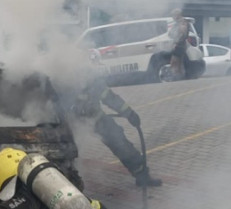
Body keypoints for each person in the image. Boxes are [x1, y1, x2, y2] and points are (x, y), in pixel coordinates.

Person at [53, 58, 162, 188]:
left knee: (121, 144)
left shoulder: (93, 81)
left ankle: (142, 176)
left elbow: (110, 98)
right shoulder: (63, 84)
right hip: (74, 125)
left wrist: (130, 114)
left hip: (98, 119)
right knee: (67, 152)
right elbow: (57, 107)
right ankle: (65, 182)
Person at [168, 8, 190, 80]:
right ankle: (180, 78)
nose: (173, 17)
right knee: (178, 63)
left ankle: (177, 78)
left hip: (179, 45)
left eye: (173, 15)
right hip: (179, 45)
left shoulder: (182, 22)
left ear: (177, 15)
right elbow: (172, 34)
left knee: (175, 62)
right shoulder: (178, 23)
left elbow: (182, 35)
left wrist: (176, 43)